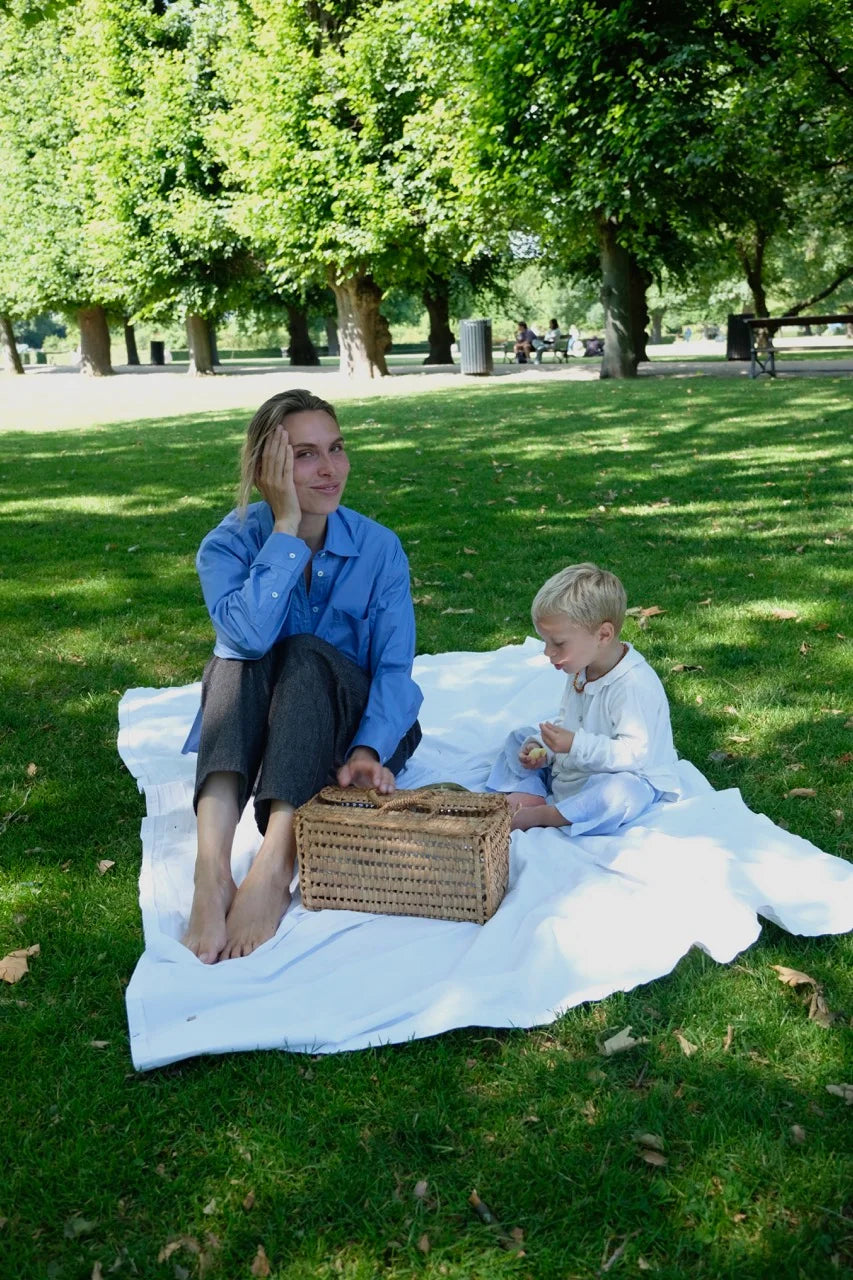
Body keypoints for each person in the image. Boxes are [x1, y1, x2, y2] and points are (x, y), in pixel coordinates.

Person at [181, 389, 423, 963]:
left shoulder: (378, 548)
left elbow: (394, 668)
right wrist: (285, 530)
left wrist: (370, 747)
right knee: (234, 659)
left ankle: (276, 859)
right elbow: (246, 640)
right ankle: (210, 871)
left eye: (336, 449)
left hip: (357, 728)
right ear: (268, 467)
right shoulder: (228, 545)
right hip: (269, 728)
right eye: (307, 455)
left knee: (309, 652)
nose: (330, 469)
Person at [486, 563, 680, 835]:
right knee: (521, 737)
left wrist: (574, 745)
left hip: (621, 773)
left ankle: (547, 815)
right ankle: (529, 791)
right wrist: (545, 747)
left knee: (621, 794)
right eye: (545, 642)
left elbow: (634, 754)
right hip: (575, 764)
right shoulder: (582, 667)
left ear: (603, 635)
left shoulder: (633, 684)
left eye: (558, 643)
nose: (547, 652)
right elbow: (570, 723)